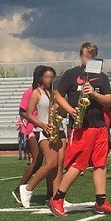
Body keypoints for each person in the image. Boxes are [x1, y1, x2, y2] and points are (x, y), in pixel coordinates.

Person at [48, 42, 111, 216]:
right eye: (84, 54)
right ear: (80, 55)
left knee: (100, 164)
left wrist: (94, 93)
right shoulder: (71, 74)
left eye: (90, 55)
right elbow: (58, 94)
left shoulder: (102, 77)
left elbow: (108, 100)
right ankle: (57, 198)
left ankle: (101, 202)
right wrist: (70, 110)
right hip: (81, 125)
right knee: (78, 164)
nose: (86, 58)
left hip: (100, 126)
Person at [15, 67, 65, 208]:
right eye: (47, 77)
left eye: (52, 77)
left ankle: (57, 197)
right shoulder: (36, 93)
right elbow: (28, 114)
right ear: (41, 79)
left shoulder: (56, 94)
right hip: (43, 130)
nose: (50, 80)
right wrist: (42, 125)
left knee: (59, 165)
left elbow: (64, 113)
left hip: (59, 129)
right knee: (51, 163)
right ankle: (27, 188)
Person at [17, 74, 43, 188]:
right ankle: (20, 188)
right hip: (33, 128)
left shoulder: (47, 92)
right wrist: (33, 120)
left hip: (44, 128)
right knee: (37, 160)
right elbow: (22, 111)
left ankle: (51, 194)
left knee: (50, 162)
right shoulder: (30, 92)